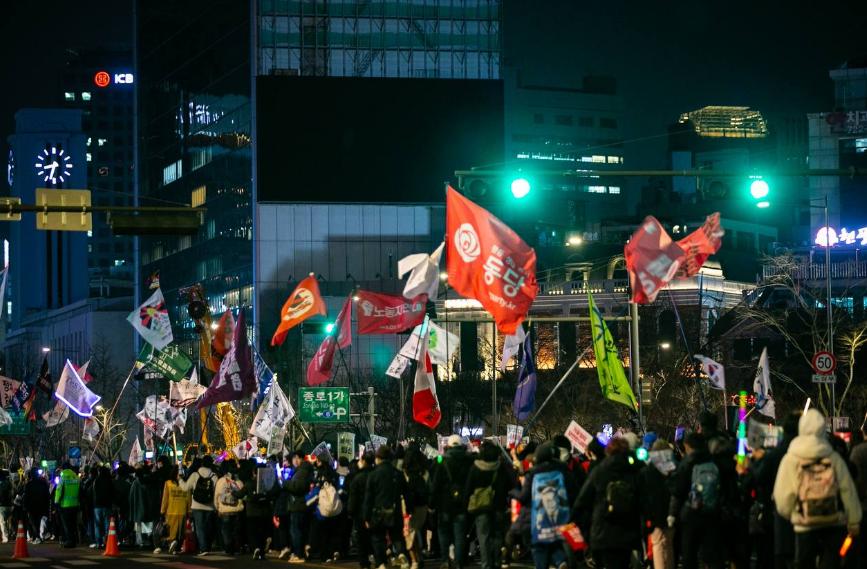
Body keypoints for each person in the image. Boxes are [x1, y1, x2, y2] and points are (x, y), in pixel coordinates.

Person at [774, 409, 862, 569]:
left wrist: (792, 512)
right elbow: (847, 489)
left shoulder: (791, 457)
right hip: (834, 521)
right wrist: (854, 520)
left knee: (804, 564)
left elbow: (782, 495)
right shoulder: (833, 456)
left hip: (804, 524)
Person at [573, 436, 641, 569]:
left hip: (602, 527)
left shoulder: (600, 469)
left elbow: (583, 499)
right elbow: (642, 498)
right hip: (627, 528)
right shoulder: (633, 471)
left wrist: (573, 519)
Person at [519, 441, 580, 569]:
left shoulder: (532, 473)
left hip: (539, 516)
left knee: (539, 547)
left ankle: (554, 562)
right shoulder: (563, 470)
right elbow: (574, 490)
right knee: (557, 543)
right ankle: (561, 561)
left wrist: (514, 493)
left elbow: (524, 497)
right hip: (562, 514)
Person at [752, 411, 800, 569]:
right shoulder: (813, 454)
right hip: (807, 515)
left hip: (775, 515)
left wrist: (755, 463)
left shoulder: (774, 456)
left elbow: (758, 479)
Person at [671, 432, 726, 569]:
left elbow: (679, 490)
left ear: (688, 446)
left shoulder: (688, 461)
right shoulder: (712, 459)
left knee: (690, 554)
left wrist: (673, 513)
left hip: (691, 513)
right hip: (712, 511)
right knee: (712, 554)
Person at [465, 441, 511, 569]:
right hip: (498, 506)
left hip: (481, 507)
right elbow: (508, 486)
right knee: (497, 535)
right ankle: (497, 561)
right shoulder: (500, 468)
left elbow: (469, 488)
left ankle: (486, 564)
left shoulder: (475, 468)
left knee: (483, 536)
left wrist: (466, 505)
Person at [430, 435, 474, 569]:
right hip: (462, 503)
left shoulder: (442, 461)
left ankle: (445, 560)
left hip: (444, 503)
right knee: (460, 534)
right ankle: (459, 562)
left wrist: (432, 504)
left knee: (443, 531)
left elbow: (436, 485)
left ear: (448, 446)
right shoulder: (468, 461)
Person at [365, 445, 411, 569]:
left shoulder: (373, 475)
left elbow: (369, 498)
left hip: (378, 513)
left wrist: (366, 516)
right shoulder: (398, 473)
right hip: (395, 510)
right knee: (397, 536)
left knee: (378, 539)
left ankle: (381, 563)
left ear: (378, 458)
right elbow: (406, 493)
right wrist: (409, 508)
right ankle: (401, 554)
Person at [641, 440, 677, 569]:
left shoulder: (648, 470)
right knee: (669, 547)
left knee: (658, 548)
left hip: (655, 516)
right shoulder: (672, 468)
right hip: (671, 513)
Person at [233, 462, 277, 560]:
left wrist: (233, 492)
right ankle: (264, 545)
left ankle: (256, 548)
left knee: (253, 532)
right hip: (265, 511)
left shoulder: (249, 483)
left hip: (252, 512)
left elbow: (240, 495)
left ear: (254, 472)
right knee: (263, 531)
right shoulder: (268, 483)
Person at [180, 454, 218, 556]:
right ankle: (208, 546)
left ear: (201, 464)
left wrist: (180, 481)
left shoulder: (195, 475)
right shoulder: (214, 477)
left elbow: (185, 488)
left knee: (200, 528)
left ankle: (203, 548)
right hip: (210, 506)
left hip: (197, 505)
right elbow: (217, 493)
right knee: (208, 527)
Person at [284, 451, 314, 563]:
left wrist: (285, 483)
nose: (294, 461)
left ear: (298, 458)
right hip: (302, 504)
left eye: (295, 458)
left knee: (296, 531)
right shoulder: (303, 470)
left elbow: (298, 487)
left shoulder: (301, 472)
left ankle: (299, 554)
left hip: (298, 504)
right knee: (302, 530)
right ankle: (302, 551)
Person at [403, 446, 430, 569]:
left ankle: (414, 560)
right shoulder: (425, 472)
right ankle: (419, 556)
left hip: (409, 506)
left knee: (409, 533)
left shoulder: (405, 473)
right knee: (415, 531)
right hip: (423, 506)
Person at [349, 452, 375, 569]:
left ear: (363, 461)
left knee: (361, 539)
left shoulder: (357, 477)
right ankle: (377, 559)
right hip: (376, 511)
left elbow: (353, 497)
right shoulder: (376, 474)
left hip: (361, 512)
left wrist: (351, 511)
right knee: (375, 537)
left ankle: (364, 563)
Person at [213, 461, 244, 556]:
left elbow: (216, 496)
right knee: (236, 530)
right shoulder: (239, 482)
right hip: (237, 510)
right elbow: (243, 497)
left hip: (224, 510)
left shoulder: (221, 481)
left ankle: (228, 547)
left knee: (226, 530)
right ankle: (236, 547)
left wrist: (217, 508)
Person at [157, 465, 189, 555]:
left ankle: (172, 543)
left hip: (171, 510)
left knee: (170, 531)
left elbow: (165, 499)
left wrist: (162, 511)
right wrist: (189, 510)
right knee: (180, 531)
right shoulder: (186, 484)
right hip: (182, 510)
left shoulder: (168, 483)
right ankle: (177, 548)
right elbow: (189, 498)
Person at [54, 462, 80, 548]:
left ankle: (69, 541)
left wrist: (56, 502)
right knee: (73, 524)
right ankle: (73, 540)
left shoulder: (63, 478)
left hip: (65, 505)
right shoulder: (76, 478)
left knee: (66, 525)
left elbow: (58, 491)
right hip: (75, 505)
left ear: (63, 469)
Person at [90, 465, 115, 548]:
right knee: (108, 524)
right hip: (107, 505)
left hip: (97, 506)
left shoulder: (96, 481)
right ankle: (108, 540)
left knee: (98, 525)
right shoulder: (109, 481)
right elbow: (113, 493)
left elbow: (90, 492)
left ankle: (98, 542)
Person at [23, 468, 50, 544]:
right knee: (40, 521)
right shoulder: (43, 483)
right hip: (42, 505)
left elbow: (26, 496)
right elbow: (47, 495)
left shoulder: (28, 484)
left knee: (34, 522)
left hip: (32, 506)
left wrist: (25, 506)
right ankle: (39, 535)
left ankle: (37, 536)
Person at [0, 469, 13, 543]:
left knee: (2, 522)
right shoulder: (9, 483)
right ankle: (11, 534)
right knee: (10, 522)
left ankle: (5, 537)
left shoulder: (1, 485)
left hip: (2, 505)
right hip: (10, 504)